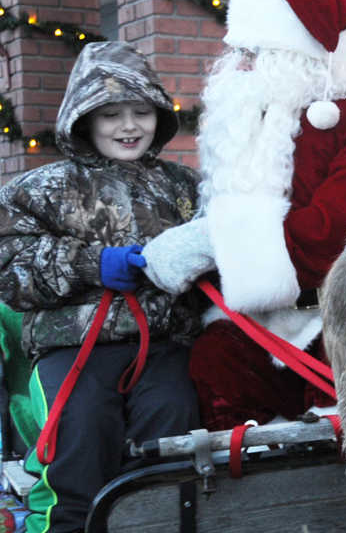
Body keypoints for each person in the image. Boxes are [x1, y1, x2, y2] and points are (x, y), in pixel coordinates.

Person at [143, 0, 346, 431]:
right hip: (259, 323)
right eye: (236, 51)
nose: (235, 67)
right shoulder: (260, 118)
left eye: (251, 54)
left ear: (296, 58)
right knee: (214, 371)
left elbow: (339, 236)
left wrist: (207, 242)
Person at [0, 42, 203, 533]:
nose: (129, 126)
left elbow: (211, 245)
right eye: (111, 114)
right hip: (74, 351)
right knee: (80, 448)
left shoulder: (183, 186)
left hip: (162, 346)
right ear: (83, 119)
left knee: (170, 445)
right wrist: (93, 264)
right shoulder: (41, 189)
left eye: (141, 112)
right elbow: (9, 267)